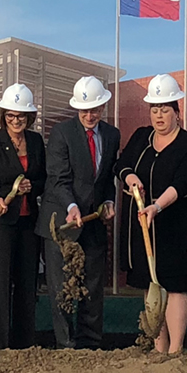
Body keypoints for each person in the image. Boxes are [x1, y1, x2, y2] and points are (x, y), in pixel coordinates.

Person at [117, 73, 187, 355]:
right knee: (150, 283)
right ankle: (158, 346)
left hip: (176, 227)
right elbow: (122, 164)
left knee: (175, 286)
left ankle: (176, 349)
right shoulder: (141, 137)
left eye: (165, 109)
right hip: (144, 228)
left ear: (176, 111)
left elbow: (184, 183)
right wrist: (130, 178)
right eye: (154, 109)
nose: (159, 115)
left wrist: (157, 206)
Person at [38, 75, 119, 350]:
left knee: (93, 287)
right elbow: (57, 178)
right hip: (62, 223)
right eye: (85, 110)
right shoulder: (61, 133)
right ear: (77, 109)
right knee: (62, 287)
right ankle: (66, 343)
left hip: (94, 223)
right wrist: (71, 207)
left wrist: (109, 200)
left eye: (95, 109)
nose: (90, 115)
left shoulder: (111, 135)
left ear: (103, 107)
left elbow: (107, 178)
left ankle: (91, 343)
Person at [0, 83, 47, 349]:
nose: (16, 121)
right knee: (1, 284)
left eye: (21, 116)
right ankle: (0, 344)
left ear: (29, 117)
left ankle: (25, 343)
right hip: (1, 224)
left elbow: (42, 178)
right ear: (3, 115)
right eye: (10, 115)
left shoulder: (37, 142)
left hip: (29, 223)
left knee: (27, 284)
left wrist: (32, 187)